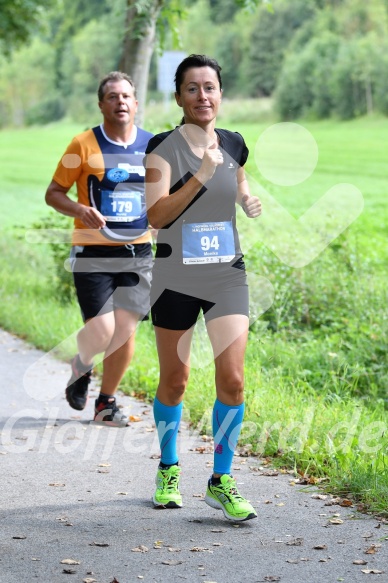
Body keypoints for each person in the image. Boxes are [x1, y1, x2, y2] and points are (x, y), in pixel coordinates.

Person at [144, 54, 262, 521]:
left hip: (225, 273)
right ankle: (169, 467)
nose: (202, 96)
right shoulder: (161, 148)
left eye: (209, 87)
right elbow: (156, 216)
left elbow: (238, 179)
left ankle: (221, 479)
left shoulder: (233, 143)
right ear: (179, 97)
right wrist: (201, 176)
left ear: (220, 93)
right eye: (192, 88)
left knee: (232, 379)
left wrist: (246, 196)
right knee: (175, 381)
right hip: (175, 276)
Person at [45, 71, 153, 427]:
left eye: (126, 96)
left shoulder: (154, 146)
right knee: (103, 330)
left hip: (138, 253)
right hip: (92, 252)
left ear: (135, 104)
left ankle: (106, 404)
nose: (120, 102)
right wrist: (79, 210)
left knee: (125, 332)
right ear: (101, 104)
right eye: (112, 96)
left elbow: (166, 195)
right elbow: (54, 193)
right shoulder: (82, 145)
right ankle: (81, 365)